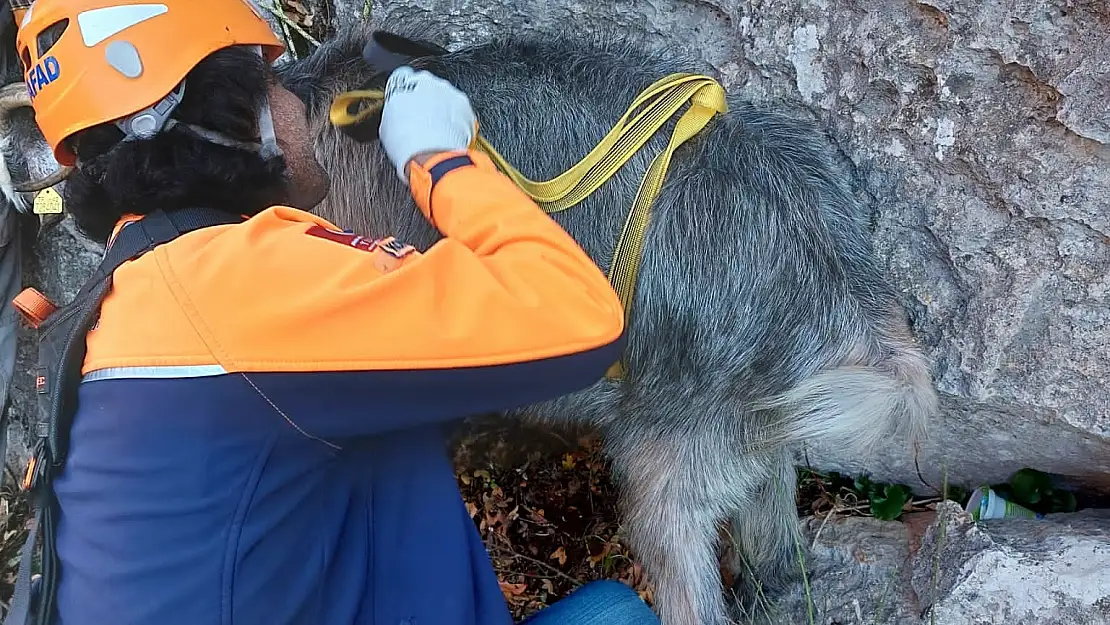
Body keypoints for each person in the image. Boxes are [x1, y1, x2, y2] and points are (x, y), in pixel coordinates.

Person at [4, 1, 661, 624]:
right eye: (273, 75)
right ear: (238, 115)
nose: (294, 99)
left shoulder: (123, 306)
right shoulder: (236, 287)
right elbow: (576, 315)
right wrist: (440, 158)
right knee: (619, 613)